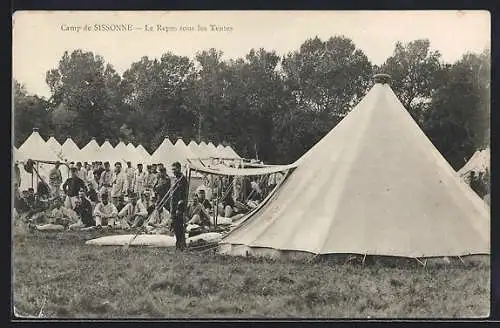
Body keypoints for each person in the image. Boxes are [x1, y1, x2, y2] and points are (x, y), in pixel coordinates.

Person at [170, 162, 188, 250]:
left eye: (175, 169)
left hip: (178, 207)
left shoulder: (182, 179)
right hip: (174, 206)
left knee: (179, 226)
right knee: (176, 227)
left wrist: (179, 208)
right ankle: (179, 244)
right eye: (172, 169)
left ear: (179, 168)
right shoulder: (176, 179)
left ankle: (180, 245)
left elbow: (183, 196)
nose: (173, 171)